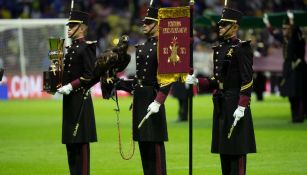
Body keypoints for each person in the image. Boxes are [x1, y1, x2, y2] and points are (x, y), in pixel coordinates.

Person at [186, 7, 256, 175]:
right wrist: (198, 81)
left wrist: (242, 105)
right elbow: (216, 81)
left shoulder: (242, 48)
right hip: (221, 104)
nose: (220, 27)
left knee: (237, 151)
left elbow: (248, 80)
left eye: (224, 25)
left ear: (235, 27)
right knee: (224, 152)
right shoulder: (219, 49)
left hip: (235, 102)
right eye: (220, 25)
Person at [116, 6, 171, 175]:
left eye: (148, 22)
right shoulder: (143, 46)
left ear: (158, 24)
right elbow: (139, 81)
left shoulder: (163, 46)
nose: (144, 25)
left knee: (154, 151)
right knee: (145, 153)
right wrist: (119, 84)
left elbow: (168, 79)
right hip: (140, 100)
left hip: (152, 100)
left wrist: (158, 101)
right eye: (144, 22)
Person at [57, 10, 97, 175]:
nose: (68, 28)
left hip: (81, 98)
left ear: (81, 28)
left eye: (72, 25)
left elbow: (90, 75)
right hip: (69, 101)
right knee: (70, 146)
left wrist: (71, 86)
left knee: (81, 145)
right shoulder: (71, 48)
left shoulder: (86, 47)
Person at [263, 12, 307, 122]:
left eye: (286, 28)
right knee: (291, 95)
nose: (284, 31)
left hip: (298, 68)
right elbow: (274, 33)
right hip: (288, 68)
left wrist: (292, 21)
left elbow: (296, 31)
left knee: (299, 94)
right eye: (283, 28)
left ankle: (301, 115)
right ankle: (295, 116)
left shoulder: (296, 38)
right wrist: (268, 24)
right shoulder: (285, 39)